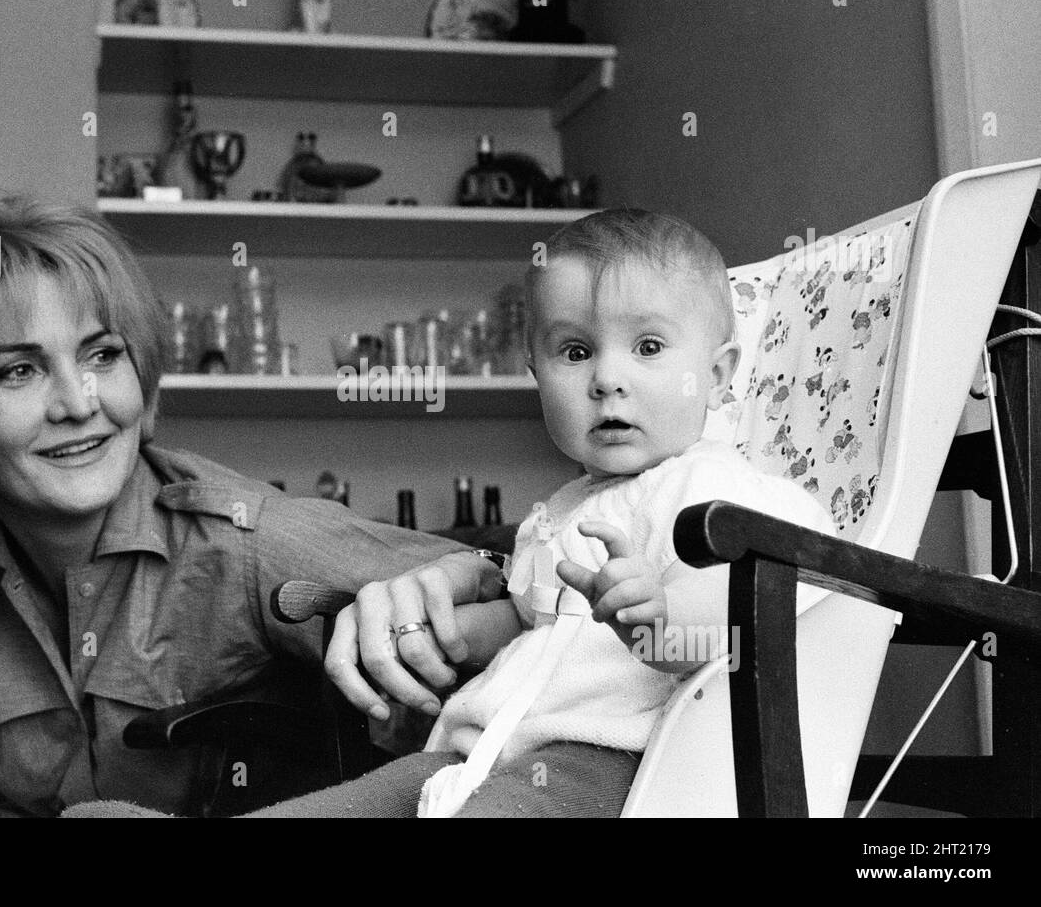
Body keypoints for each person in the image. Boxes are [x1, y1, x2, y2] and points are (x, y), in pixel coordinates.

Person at [0, 192, 503, 817]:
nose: (80, 403)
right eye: (19, 370)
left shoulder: (243, 538)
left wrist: (439, 595)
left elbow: (537, 597)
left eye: (103, 354)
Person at [221, 208, 838, 818]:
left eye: (647, 346)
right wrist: (449, 634)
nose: (606, 379)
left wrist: (661, 617)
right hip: (475, 757)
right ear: (535, 375)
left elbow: (749, 612)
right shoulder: (557, 513)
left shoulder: (718, 488)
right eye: (574, 352)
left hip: (610, 764)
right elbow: (525, 622)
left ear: (717, 375)